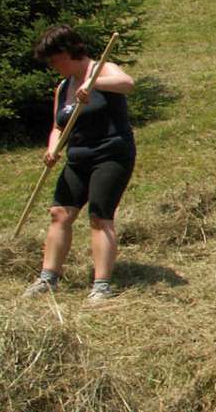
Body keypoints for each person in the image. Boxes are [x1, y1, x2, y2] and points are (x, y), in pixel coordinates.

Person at [23, 25, 137, 303]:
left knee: (99, 216)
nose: (53, 66)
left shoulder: (102, 69)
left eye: (53, 60)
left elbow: (128, 84)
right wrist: (52, 150)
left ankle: (101, 285)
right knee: (59, 213)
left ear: (66, 52)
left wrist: (94, 84)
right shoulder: (63, 87)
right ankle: (48, 278)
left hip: (111, 153)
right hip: (78, 157)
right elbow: (58, 126)